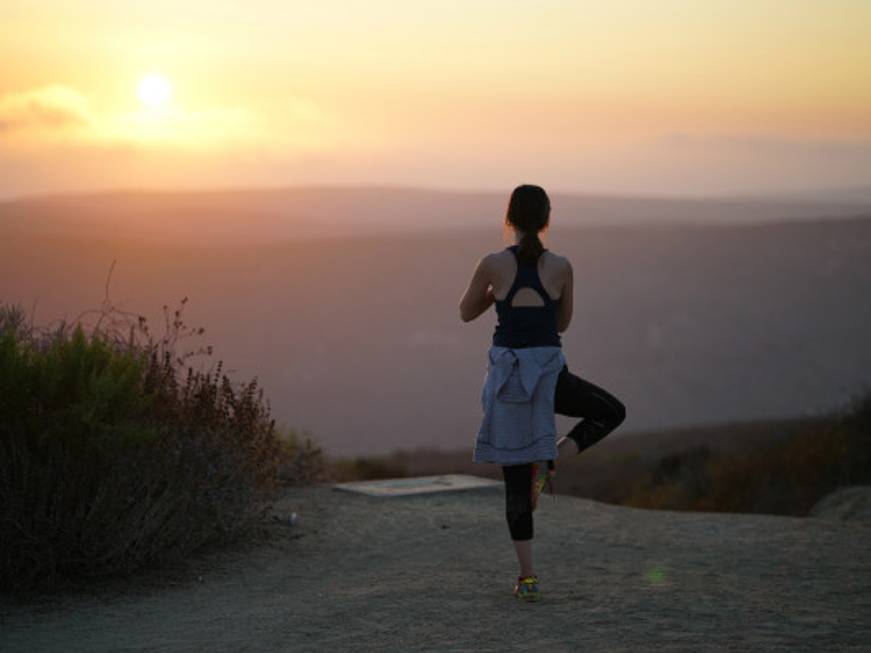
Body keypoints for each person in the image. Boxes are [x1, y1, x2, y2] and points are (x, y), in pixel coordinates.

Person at [458, 184, 627, 602]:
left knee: (514, 481)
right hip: (550, 378)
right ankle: (553, 458)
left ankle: (528, 578)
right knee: (610, 411)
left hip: (509, 383)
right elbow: (562, 324)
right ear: (547, 219)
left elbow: (465, 312)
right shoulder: (562, 266)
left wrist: (498, 293)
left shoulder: (492, 263)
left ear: (509, 218)